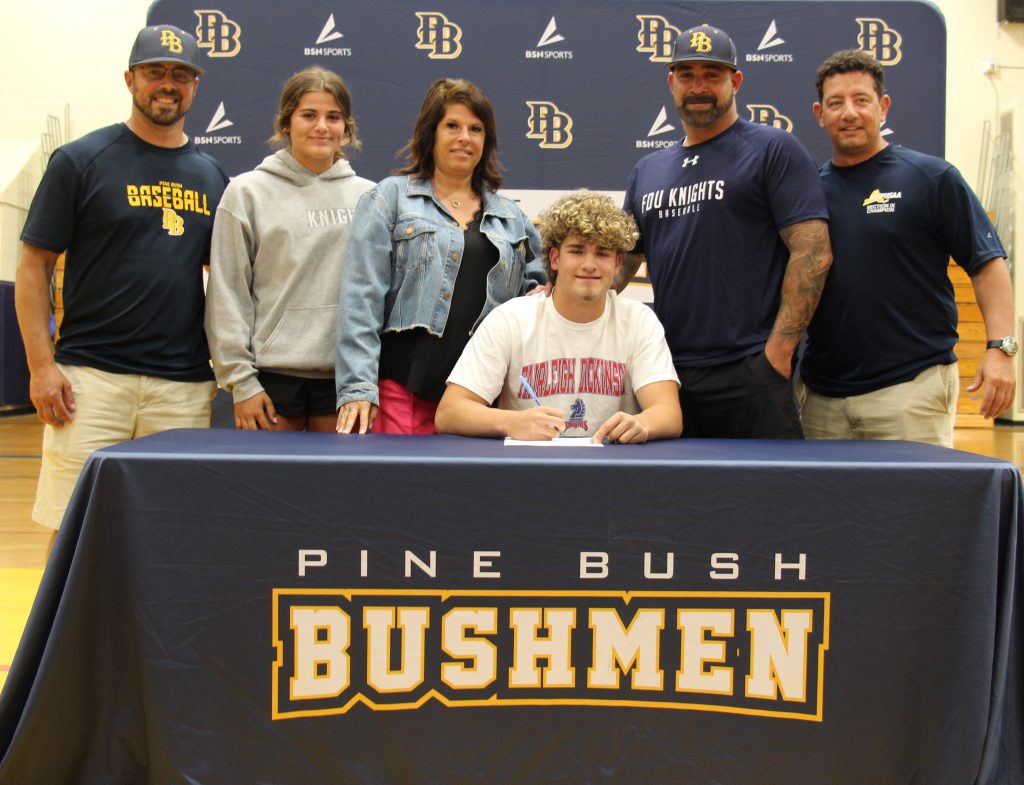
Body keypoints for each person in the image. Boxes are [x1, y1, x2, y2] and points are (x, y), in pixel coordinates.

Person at [14, 24, 228, 545]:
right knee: (71, 532)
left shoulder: (213, 177)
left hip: (180, 387)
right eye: (155, 72)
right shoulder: (81, 161)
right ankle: (65, 631)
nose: (168, 84)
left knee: (170, 533)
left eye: (181, 74)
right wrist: (42, 366)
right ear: (130, 80)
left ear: (196, 86)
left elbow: (225, 286)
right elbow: (34, 265)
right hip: (89, 381)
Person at [620, 24, 832, 438]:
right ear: (671, 83)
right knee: (676, 500)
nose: (698, 86)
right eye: (687, 74)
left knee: (767, 499)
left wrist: (779, 352)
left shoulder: (773, 148)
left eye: (712, 75)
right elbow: (622, 262)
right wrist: (558, 292)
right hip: (668, 375)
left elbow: (814, 252)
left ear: (735, 81)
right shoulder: (648, 170)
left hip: (751, 369)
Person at [800, 50, 1015, 447]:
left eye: (861, 100)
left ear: (883, 107)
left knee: (915, 509)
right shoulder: (808, 191)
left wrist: (1001, 350)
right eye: (836, 103)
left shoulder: (932, 178)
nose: (848, 112)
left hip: (910, 391)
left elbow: (988, 265)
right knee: (828, 510)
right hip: (821, 398)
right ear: (819, 113)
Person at [335, 77, 545, 434]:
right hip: (400, 392)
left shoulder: (513, 218)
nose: (465, 137)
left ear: (486, 141)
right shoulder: (389, 198)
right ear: (430, 132)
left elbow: (541, 295)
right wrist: (357, 387)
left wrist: (542, 295)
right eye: (453, 126)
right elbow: (361, 298)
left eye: (475, 129)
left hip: (480, 399)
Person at [435, 190, 681, 443]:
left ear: (617, 264)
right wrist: (511, 422)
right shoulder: (511, 320)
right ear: (554, 259)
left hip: (612, 474)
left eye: (602, 253)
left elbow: (669, 413)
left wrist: (643, 423)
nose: (589, 264)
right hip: (528, 472)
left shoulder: (638, 321)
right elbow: (449, 413)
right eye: (577, 251)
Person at [205, 67, 374, 432]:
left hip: (346, 379)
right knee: (272, 488)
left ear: (347, 126)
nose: (321, 127)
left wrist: (368, 380)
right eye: (308, 115)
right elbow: (227, 293)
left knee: (336, 489)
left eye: (333, 117)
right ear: (286, 123)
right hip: (269, 378)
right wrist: (242, 382)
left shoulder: (370, 197)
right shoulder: (246, 193)